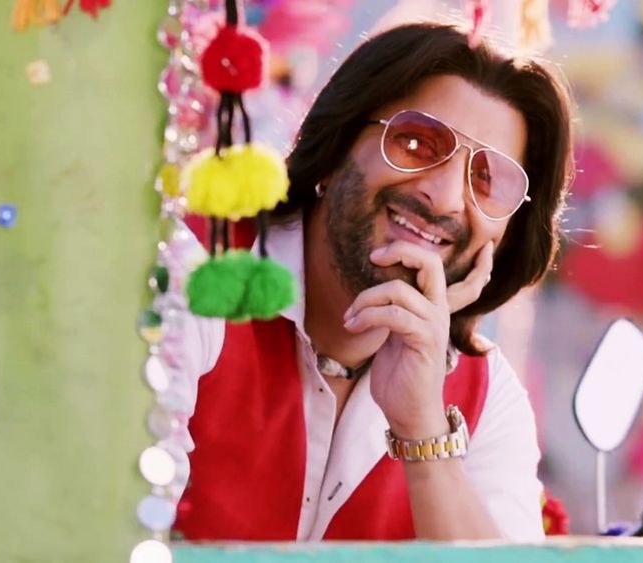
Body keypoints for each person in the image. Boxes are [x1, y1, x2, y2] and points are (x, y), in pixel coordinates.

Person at [173, 22, 574, 542]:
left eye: (487, 180)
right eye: (416, 143)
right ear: (338, 144)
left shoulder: (486, 396)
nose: (445, 198)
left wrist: (423, 431)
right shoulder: (200, 273)